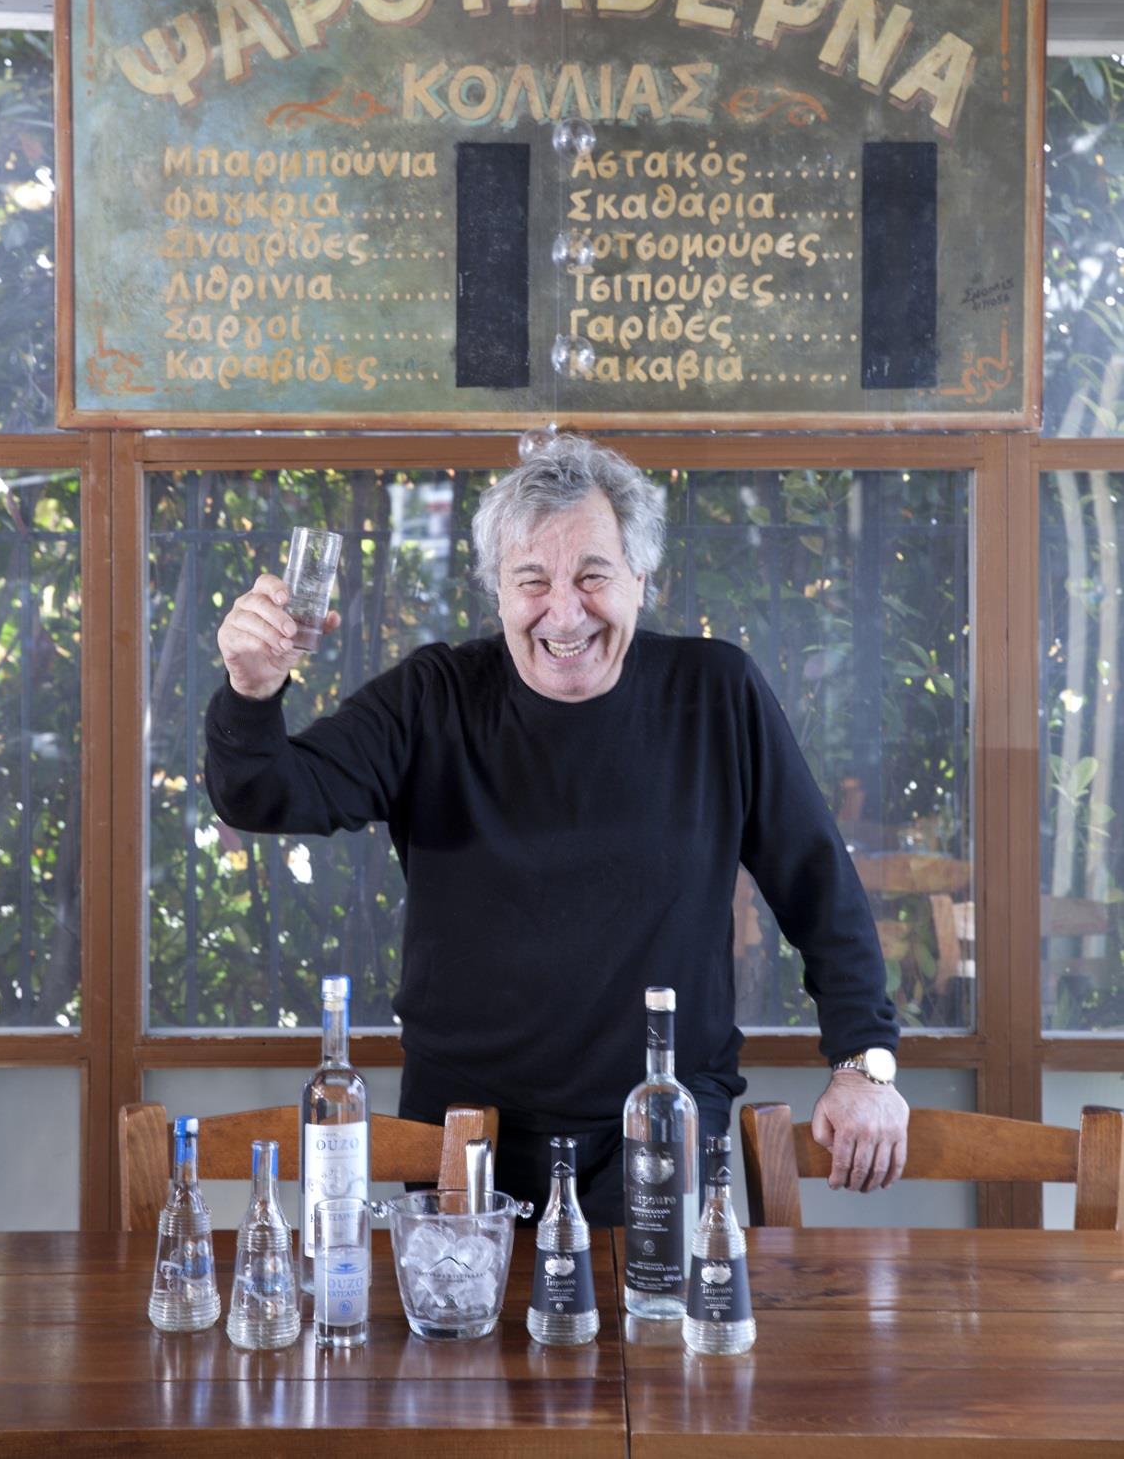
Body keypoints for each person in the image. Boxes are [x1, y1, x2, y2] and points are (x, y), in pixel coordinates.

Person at [205, 434, 908, 1221]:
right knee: (463, 1310)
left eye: (593, 576)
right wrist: (250, 692)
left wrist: (863, 1065)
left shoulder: (716, 693)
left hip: (663, 1109)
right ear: (498, 591)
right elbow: (266, 795)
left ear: (641, 579)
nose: (564, 612)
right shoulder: (433, 697)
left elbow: (819, 886)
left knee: (652, 1307)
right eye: (532, 580)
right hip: (463, 1127)